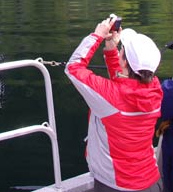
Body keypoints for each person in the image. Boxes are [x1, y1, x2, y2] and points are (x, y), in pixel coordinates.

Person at [65, 16, 163, 192]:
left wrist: (96, 36)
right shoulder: (155, 89)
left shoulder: (111, 98)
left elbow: (73, 68)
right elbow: (125, 86)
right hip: (150, 182)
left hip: (115, 185)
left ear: (124, 61)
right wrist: (111, 49)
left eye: (122, 50)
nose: (121, 51)